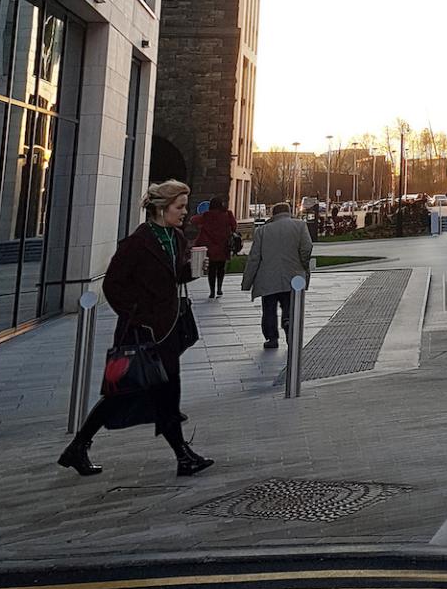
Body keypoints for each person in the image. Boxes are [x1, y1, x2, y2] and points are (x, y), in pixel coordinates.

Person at [57, 180, 211, 479]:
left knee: (166, 392)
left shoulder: (176, 237)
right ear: (162, 208)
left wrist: (192, 270)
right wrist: (139, 316)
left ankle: (182, 456)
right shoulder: (138, 243)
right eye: (179, 207)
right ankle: (80, 446)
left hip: (166, 330)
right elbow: (114, 285)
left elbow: (173, 276)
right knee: (128, 394)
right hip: (142, 333)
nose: (184, 212)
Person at [242, 199, 313, 348]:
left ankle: (271, 338)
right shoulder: (300, 226)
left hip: (268, 277)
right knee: (289, 305)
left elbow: (254, 258)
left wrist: (247, 282)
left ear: (273, 214)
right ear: (289, 212)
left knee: (269, 309)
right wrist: (303, 264)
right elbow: (307, 247)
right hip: (293, 276)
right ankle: (288, 325)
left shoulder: (262, 231)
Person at [194, 195, 239, 299]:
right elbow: (234, 226)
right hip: (223, 246)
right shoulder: (227, 214)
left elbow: (194, 220)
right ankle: (219, 288)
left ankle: (212, 291)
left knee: (211, 270)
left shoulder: (207, 215)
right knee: (221, 268)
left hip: (210, 247)